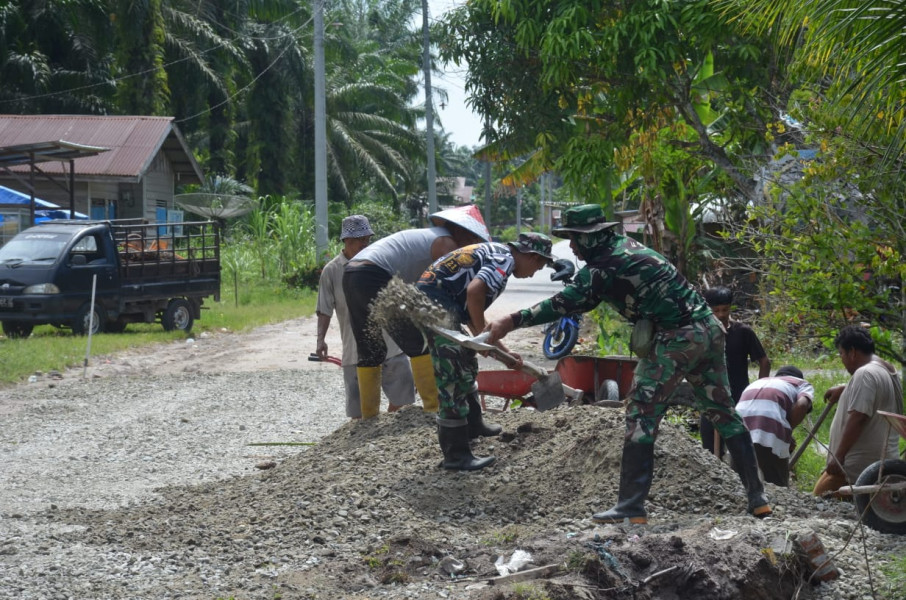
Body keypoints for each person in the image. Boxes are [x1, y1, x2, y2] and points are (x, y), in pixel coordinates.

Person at [485, 204, 772, 523]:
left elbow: (564, 303)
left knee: (640, 413)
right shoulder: (630, 248)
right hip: (708, 330)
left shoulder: (604, 266)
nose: (575, 248)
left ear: (591, 238)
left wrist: (510, 321)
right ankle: (757, 498)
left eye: (576, 240)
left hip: (677, 338)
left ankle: (631, 506)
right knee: (723, 412)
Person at [417, 233, 554, 470]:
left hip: (439, 304)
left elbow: (472, 312)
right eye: (538, 266)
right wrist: (484, 336)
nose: (533, 273)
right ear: (531, 256)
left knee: (467, 359)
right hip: (435, 306)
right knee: (453, 375)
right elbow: (475, 292)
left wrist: (503, 351)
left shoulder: (497, 253)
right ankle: (456, 456)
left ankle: (473, 425)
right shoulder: (504, 260)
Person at [342, 205, 491, 419]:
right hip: (376, 274)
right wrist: (476, 332)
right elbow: (452, 295)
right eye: (473, 240)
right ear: (463, 232)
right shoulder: (447, 244)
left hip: (353, 272)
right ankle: (434, 409)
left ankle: (368, 418)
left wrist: (477, 333)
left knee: (370, 348)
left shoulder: (430, 236)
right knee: (419, 342)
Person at [315, 215, 416, 419]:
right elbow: (324, 309)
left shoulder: (381, 263)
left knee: (404, 403)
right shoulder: (332, 271)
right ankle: (368, 439)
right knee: (359, 412)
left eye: (367, 240)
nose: (365, 244)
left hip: (391, 345)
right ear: (347, 241)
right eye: (361, 240)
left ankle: (387, 439)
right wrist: (320, 340)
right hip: (355, 350)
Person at [813, 326, 903, 496]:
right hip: (881, 462)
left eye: (841, 354)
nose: (842, 360)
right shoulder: (888, 369)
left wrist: (838, 457)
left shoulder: (865, 374)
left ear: (852, 352)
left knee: (817, 498)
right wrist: (847, 389)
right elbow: (878, 395)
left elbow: (859, 417)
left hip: (855, 468)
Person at [699, 287, 771, 458]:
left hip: (739, 400)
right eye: (716, 311)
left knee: (740, 447)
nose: (721, 314)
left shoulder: (742, 332)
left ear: (730, 308)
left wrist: (759, 391)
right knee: (709, 449)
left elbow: (764, 361)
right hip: (710, 399)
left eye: (725, 310)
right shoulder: (703, 334)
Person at [735, 366, 814, 487]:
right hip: (766, 429)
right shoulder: (801, 384)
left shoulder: (759, 382)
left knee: (736, 484)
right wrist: (787, 433)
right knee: (777, 488)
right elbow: (802, 405)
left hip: (735, 431)